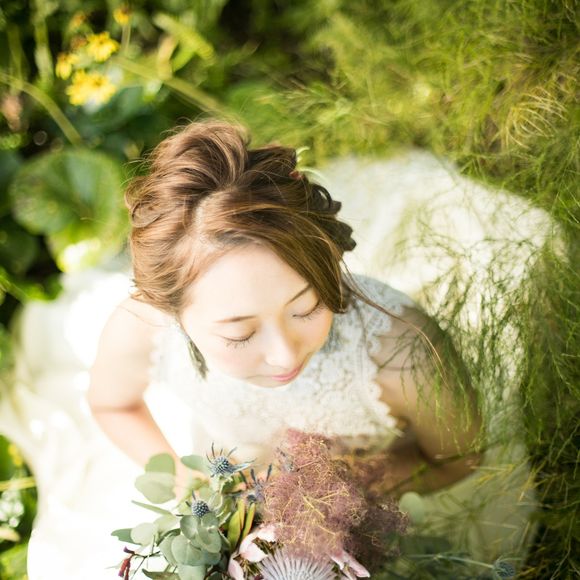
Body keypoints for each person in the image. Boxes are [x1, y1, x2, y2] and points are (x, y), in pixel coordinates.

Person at [87, 120, 531, 566]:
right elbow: (113, 405)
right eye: (240, 334)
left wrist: (355, 485)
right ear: (172, 313)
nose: (284, 354)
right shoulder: (142, 326)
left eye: (306, 307)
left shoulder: (400, 352)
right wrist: (192, 485)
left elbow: (460, 457)